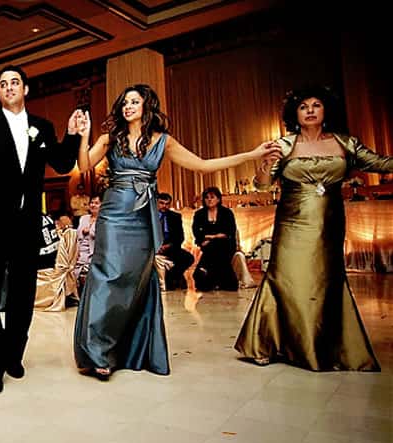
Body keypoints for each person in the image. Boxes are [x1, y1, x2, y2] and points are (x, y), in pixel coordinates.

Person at [71, 84, 279, 380]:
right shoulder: (110, 138)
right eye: (125, 102)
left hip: (143, 218)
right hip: (113, 214)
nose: (128, 106)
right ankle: (96, 351)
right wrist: (83, 136)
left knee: (136, 281)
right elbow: (83, 165)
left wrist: (250, 154)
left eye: (134, 102)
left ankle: (127, 349)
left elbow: (204, 166)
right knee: (108, 276)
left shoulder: (163, 141)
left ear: (147, 106)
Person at [235, 86, 391, 371]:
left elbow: (381, 163)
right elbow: (262, 185)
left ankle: (324, 346)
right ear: (294, 113)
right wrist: (265, 165)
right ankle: (268, 342)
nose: (309, 110)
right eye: (303, 106)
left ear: (325, 110)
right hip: (292, 223)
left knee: (325, 281)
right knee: (286, 279)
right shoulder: (283, 145)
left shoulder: (346, 143)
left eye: (316, 105)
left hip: (329, 223)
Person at [0, 64, 82, 394]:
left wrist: (72, 134)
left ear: (25, 89)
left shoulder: (42, 126)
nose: (8, 87)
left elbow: (63, 163)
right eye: (2, 84)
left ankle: (13, 354)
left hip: (27, 225)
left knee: (23, 297)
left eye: (14, 82)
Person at [191, 187, 238, 291]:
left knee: (215, 248)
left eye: (212, 197)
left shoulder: (227, 213)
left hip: (226, 245)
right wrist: (209, 238)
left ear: (218, 199)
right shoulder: (199, 214)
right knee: (213, 249)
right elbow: (196, 232)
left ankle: (204, 274)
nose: (209, 200)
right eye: (206, 197)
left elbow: (229, 232)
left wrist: (211, 237)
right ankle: (223, 281)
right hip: (206, 245)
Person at [155, 192, 194, 291]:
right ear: (156, 203)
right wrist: (156, 246)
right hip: (153, 247)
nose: (164, 206)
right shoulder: (151, 216)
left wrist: (167, 246)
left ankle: (172, 277)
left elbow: (180, 237)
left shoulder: (175, 216)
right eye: (161, 203)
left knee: (188, 258)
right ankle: (174, 281)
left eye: (167, 204)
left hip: (170, 247)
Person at [74, 194, 101, 284]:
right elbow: (77, 237)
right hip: (79, 255)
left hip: (93, 256)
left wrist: (90, 231)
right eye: (91, 203)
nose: (93, 205)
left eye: (96, 203)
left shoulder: (103, 220)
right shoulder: (83, 218)